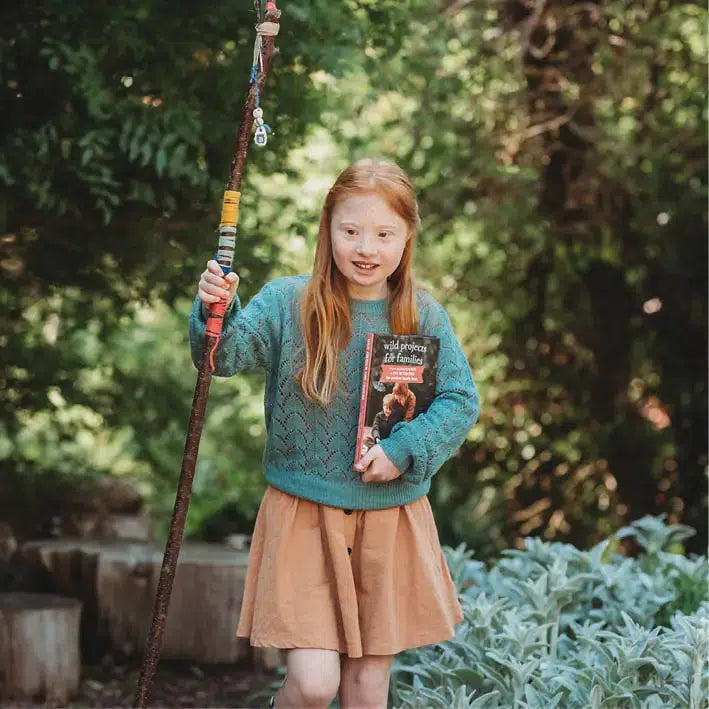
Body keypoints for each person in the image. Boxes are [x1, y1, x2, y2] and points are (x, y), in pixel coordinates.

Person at [189, 158, 480, 709]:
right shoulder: (287, 303)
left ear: (407, 236)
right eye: (350, 231)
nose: (365, 247)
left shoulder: (420, 316)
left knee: (367, 689)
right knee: (315, 684)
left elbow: (461, 400)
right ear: (327, 229)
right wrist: (213, 307)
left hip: (390, 519)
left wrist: (403, 448)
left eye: (383, 233)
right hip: (303, 513)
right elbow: (221, 358)